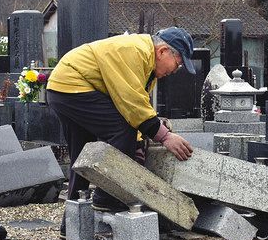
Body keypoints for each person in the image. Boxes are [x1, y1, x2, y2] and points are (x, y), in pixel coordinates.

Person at [47, 27, 195, 217]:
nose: (176, 70)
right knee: (122, 128)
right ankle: (108, 197)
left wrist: (139, 143)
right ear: (163, 51)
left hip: (63, 89)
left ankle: (73, 220)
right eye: (178, 62)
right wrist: (165, 137)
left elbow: (136, 105)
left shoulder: (147, 62)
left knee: (83, 152)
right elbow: (131, 105)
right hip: (74, 86)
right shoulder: (135, 51)